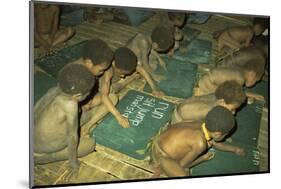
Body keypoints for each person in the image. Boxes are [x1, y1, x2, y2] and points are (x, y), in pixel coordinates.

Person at [80, 46, 166, 132]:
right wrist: (119, 117)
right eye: (121, 73)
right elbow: (104, 96)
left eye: (125, 74)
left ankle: (88, 123)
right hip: (94, 95)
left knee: (115, 91)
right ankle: (87, 125)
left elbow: (141, 69)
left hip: (105, 89)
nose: (123, 76)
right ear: (113, 64)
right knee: (112, 96)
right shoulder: (108, 71)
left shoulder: (123, 64)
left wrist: (154, 88)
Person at [34, 64, 97, 178]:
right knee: (90, 145)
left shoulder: (55, 90)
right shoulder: (70, 105)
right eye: (88, 93)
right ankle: (43, 158)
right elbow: (72, 137)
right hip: (37, 152)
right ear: (77, 95)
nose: (89, 95)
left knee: (86, 115)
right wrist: (73, 163)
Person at [150, 106, 245, 177]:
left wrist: (235, 149)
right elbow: (183, 164)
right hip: (161, 155)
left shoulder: (201, 123)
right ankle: (161, 167)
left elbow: (215, 142)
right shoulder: (200, 143)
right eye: (226, 135)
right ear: (218, 134)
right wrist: (203, 158)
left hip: (161, 139)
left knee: (205, 143)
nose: (226, 137)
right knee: (184, 175)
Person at [171, 81, 246, 124]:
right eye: (233, 109)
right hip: (179, 122)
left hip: (181, 109)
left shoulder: (217, 95)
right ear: (222, 101)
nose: (234, 113)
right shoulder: (210, 111)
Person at [197, 60, 265, 96]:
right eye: (255, 81)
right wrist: (252, 95)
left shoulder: (239, 68)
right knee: (228, 98)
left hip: (206, 77)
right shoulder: (240, 79)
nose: (254, 84)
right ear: (252, 74)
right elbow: (236, 93)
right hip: (207, 85)